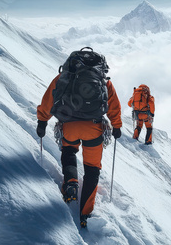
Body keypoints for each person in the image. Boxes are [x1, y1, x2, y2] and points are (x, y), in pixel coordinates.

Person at [36, 47, 122, 228]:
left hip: (69, 126)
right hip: (94, 128)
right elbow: (114, 106)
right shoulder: (104, 82)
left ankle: (71, 183)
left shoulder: (64, 78)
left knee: (69, 152)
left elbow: (48, 100)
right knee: (92, 169)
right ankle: (85, 214)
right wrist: (117, 126)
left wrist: (42, 121)